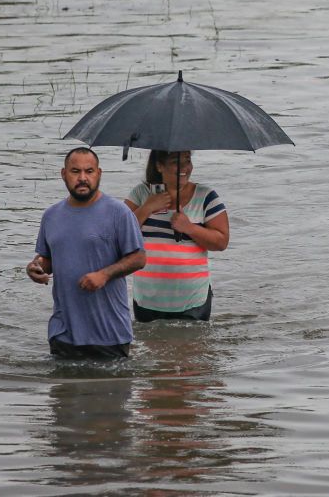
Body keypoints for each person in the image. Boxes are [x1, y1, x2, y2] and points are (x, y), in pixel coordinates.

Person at [26, 147, 146, 359]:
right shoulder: (51, 216)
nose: (82, 178)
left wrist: (104, 275)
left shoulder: (119, 212)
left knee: (112, 391)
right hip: (62, 333)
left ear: (99, 173)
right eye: (75, 171)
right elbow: (47, 259)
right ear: (64, 174)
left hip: (109, 333)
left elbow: (139, 258)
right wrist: (35, 267)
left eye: (89, 171)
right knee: (63, 391)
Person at [123, 150, 229, 322]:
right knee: (151, 349)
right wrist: (147, 208)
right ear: (159, 165)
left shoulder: (206, 197)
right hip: (147, 299)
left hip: (193, 300)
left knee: (192, 348)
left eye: (187, 160)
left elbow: (221, 242)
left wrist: (189, 228)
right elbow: (119, 235)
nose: (184, 167)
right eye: (175, 161)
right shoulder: (141, 194)